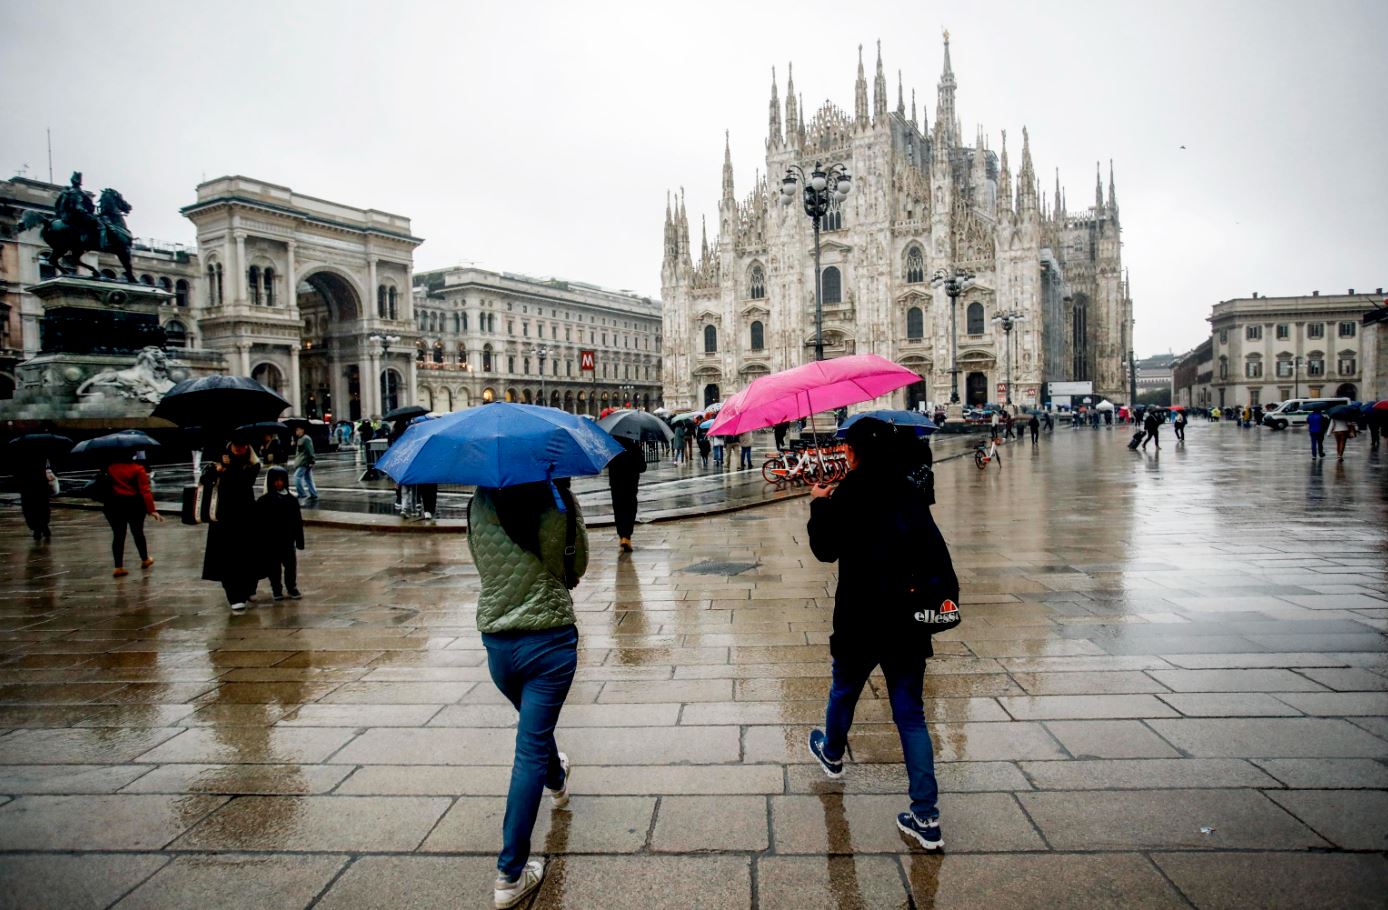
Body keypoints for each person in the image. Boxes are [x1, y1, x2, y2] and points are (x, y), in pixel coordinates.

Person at [805, 418, 955, 852]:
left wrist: (819, 504)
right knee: (911, 716)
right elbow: (932, 551)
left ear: (855, 453)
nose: (844, 453)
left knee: (844, 691)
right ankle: (926, 816)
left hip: (859, 619)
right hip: (906, 621)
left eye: (848, 448)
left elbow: (824, 550)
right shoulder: (911, 493)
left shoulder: (848, 494)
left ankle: (832, 753)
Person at [467, 479, 588, 908]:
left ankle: (558, 781)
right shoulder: (558, 500)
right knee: (530, 749)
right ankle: (510, 875)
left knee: (535, 732)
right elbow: (576, 567)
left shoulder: (479, 501)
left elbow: (482, 563)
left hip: (499, 645)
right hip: (549, 640)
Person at [202, 441, 262, 611]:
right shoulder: (218, 461)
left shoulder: (252, 464)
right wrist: (217, 470)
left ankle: (248, 588)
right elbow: (205, 481)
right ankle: (234, 595)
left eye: (243, 445)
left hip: (246, 516)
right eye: (236, 445)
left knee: (248, 555)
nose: (239, 448)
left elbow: (243, 482)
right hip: (224, 517)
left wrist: (229, 467)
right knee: (227, 556)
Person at [104, 453, 162, 576]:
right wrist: (152, 510)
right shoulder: (137, 469)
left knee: (118, 535)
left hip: (114, 505)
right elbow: (145, 491)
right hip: (134, 504)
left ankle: (118, 567)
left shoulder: (109, 468)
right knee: (138, 532)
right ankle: (145, 559)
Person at [257, 466, 304, 600]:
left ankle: (291, 587)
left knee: (290, 565)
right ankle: (276, 589)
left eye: (281, 480)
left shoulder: (291, 500)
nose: (279, 483)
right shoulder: (263, 501)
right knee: (274, 567)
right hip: (271, 540)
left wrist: (299, 540)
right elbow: (259, 523)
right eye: (276, 480)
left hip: (287, 539)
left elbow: (297, 522)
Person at [607, 436, 645, 552]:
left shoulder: (612, 448)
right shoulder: (634, 447)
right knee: (630, 509)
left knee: (618, 510)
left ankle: (622, 535)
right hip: (631, 485)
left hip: (616, 485)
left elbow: (606, 464)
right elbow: (642, 467)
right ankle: (626, 536)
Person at [18, 455, 55, 543]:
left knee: (32, 508)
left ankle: (39, 528)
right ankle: (42, 527)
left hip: (31, 486)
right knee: (40, 507)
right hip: (38, 485)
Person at [292, 425, 319, 501]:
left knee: (297, 476)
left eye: (298, 430)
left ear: (302, 430)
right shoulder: (300, 439)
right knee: (308, 478)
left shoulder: (306, 438)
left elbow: (310, 450)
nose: (296, 432)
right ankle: (313, 494)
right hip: (303, 461)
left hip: (304, 462)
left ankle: (302, 493)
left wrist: (312, 460)